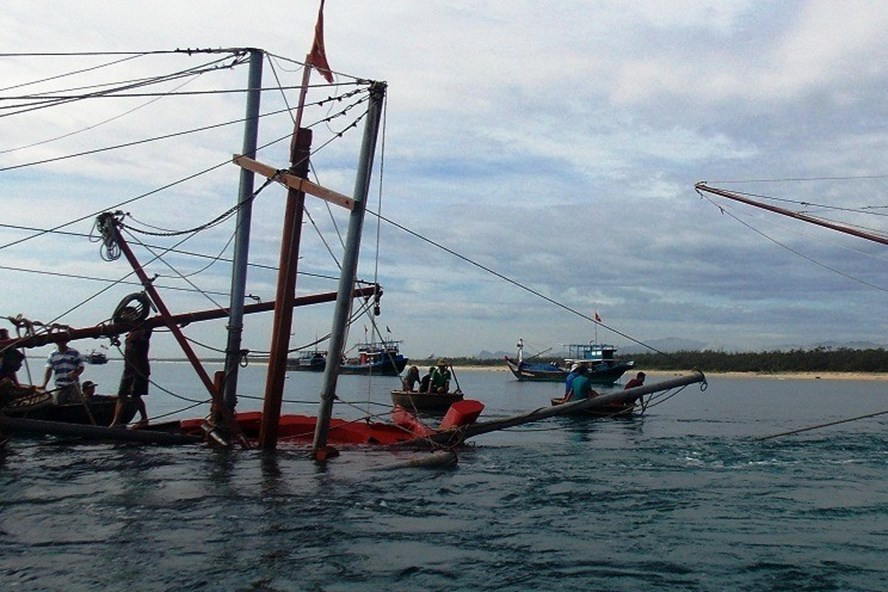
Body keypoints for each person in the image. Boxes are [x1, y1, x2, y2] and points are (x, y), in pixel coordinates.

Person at [110, 327, 152, 428]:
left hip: (140, 369)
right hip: (128, 369)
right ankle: (116, 422)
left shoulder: (143, 333)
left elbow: (148, 325)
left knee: (135, 395)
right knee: (122, 394)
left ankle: (144, 419)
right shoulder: (129, 334)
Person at [41, 338, 84, 404]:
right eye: (59, 340)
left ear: (66, 341)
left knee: (76, 404)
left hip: (73, 385)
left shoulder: (75, 353)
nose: (61, 342)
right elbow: (48, 370)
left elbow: (81, 367)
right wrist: (44, 385)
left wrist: (76, 373)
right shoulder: (52, 355)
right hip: (59, 386)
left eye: (63, 340)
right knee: (57, 404)